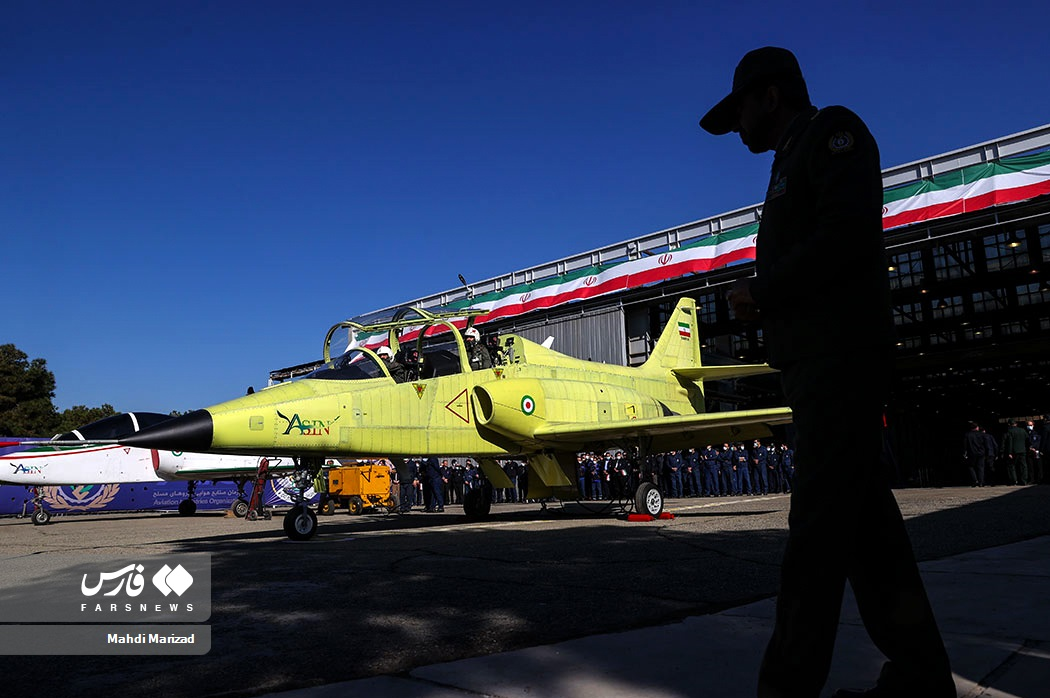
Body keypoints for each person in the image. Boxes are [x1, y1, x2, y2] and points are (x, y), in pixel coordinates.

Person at [701, 47, 953, 698]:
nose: (739, 132)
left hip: (839, 363)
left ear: (770, 96)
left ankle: (785, 689)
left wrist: (765, 290)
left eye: (741, 116)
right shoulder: (791, 157)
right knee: (871, 537)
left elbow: (845, 236)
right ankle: (922, 677)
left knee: (814, 537)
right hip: (817, 366)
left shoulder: (832, 136)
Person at [1001, 421, 1028, 486]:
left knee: (1011, 466)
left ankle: (1014, 480)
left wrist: (1009, 452)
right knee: (1023, 466)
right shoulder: (1023, 430)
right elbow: (1027, 439)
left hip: (1014, 451)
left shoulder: (1009, 431)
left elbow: (1010, 442)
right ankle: (1024, 480)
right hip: (1022, 450)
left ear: (1009, 424)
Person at [962, 422, 987, 487]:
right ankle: (981, 482)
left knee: (971, 466)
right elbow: (985, 443)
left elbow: (965, 445)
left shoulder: (967, 435)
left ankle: (975, 480)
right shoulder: (982, 434)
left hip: (972, 453)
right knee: (981, 467)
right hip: (981, 453)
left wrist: (964, 452)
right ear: (976, 427)